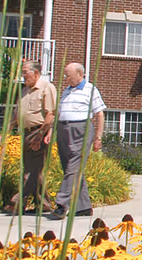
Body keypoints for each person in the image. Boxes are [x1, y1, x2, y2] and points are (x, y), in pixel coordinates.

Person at [46, 63, 106, 220]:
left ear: (80, 74)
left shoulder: (90, 89)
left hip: (81, 130)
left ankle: (61, 205)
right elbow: (59, 114)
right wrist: (51, 131)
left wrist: (98, 138)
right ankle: (83, 207)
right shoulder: (67, 91)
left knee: (73, 167)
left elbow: (99, 114)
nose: (66, 78)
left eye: (68, 75)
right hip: (63, 130)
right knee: (70, 167)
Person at [1, 60, 57, 215]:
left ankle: (18, 202)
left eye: (26, 72)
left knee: (30, 171)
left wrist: (40, 135)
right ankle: (44, 204)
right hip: (26, 133)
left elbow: (50, 114)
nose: (23, 75)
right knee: (34, 170)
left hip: (39, 132)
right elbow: (15, 115)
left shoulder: (47, 87)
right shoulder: (25, 90)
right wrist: (6, 132)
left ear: (36, 73)